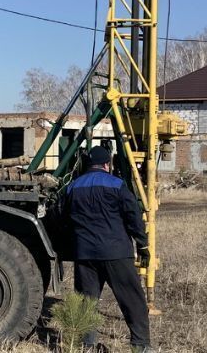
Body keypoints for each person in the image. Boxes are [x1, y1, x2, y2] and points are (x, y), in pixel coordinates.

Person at [64, 145, 152, 352]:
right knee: (132, 299)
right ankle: (140, 345)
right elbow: (133, 217)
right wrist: (143, 245)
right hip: (116, 253)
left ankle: (87, 346)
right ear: (107, 164)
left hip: (85, 255)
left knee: (86, 302)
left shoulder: (73, 186)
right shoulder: (117, 185)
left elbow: (63, 218)